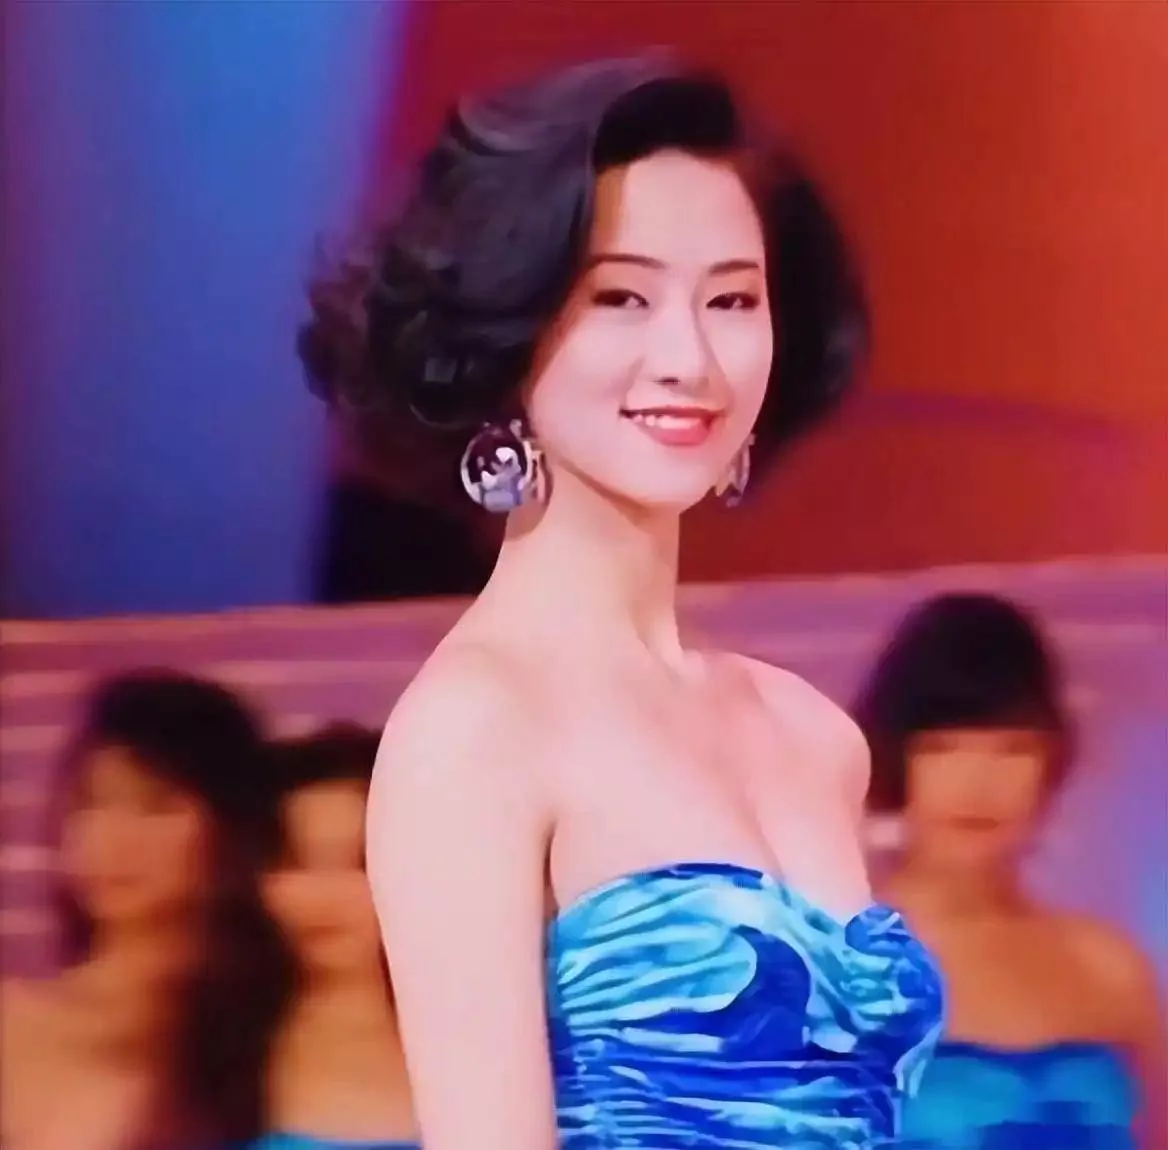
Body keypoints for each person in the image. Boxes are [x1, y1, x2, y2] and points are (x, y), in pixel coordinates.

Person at [300, 54, 944, 1149]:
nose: (687, 357)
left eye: (731, 299)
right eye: (620, 297)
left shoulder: (812, 736)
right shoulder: (475, 728)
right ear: (512, 330)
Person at [854, 592, 1166, 1149]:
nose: (978, 781)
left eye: (1013, 749)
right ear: (895, 758)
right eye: (942, 748)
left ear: (1052, 762)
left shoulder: (1109, 970)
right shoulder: (828, 971)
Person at [0, 669, 285, 1150]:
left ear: (230, 829)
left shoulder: (276, 1029)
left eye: (155, 806)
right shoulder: (16, 1020)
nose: (111, 839)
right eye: (90, 803)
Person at [249, 724, 418, 1150]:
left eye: (359, 863)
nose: (325, 895)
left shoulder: (482, 1039)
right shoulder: (211, 1046)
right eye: (296, 862)